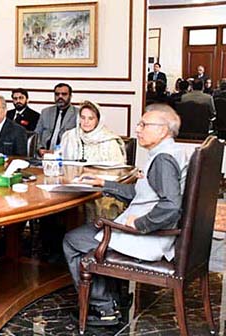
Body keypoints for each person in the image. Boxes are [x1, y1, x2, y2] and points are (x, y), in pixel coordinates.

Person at [64, 104, 187, 326]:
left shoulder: (163, 160)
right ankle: (114, 298)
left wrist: (140, 224)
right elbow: (142, 192)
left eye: (143, 124)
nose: (137, 129)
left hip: (150, 236)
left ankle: (103, 308)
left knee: (73, 240)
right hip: (156, 231)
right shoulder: (172, 151)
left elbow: (171, 205)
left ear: (162, 130)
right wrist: (105, 184)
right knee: (90, 232)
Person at [60, 101, 125, 163]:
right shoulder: (69, 136)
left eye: (90, 118)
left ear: (98, 121)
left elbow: (118, 169)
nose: (86, 122)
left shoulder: (109, 141)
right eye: (83, 118)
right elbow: (60, 161)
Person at [34, 83, 78, 155]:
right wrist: (40, 148)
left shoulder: (77, 114)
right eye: (57, 94)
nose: (60, 97)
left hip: (65, 156)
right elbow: (36, 134)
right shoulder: (45, 112)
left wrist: (58, 152)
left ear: (70, 96)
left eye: (64, 94)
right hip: (43, 155)